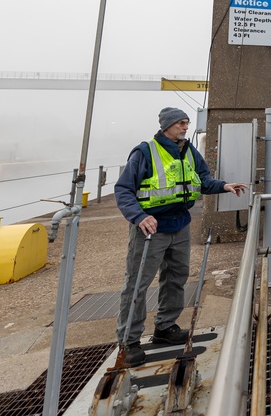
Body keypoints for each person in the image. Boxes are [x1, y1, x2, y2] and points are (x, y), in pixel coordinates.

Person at [114, 107, 246, 366]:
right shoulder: (145, 152)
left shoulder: (188, 150)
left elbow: (203, 180)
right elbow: (123, 190)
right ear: (167, 126)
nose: (185, 127)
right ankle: (128, 342)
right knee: (137, 284)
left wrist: (224, 186)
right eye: (180, 123)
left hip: (180, 225)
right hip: (150, 229)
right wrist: (140, 217)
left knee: (176, 278)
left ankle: (165, 328)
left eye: (186, 123)